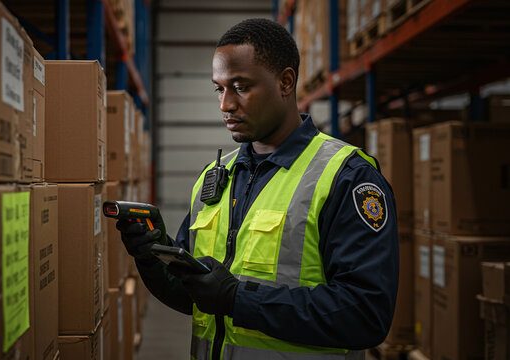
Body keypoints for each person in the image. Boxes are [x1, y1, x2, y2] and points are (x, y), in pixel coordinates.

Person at [116, 18, 399, 360]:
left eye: (241, 86)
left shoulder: (346, 178)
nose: (225, 105)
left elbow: (365, 315)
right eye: (219, 88)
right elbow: (195, 297)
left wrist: (237, 299)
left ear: (285, 81)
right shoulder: (214, 177)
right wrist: (151, 258)